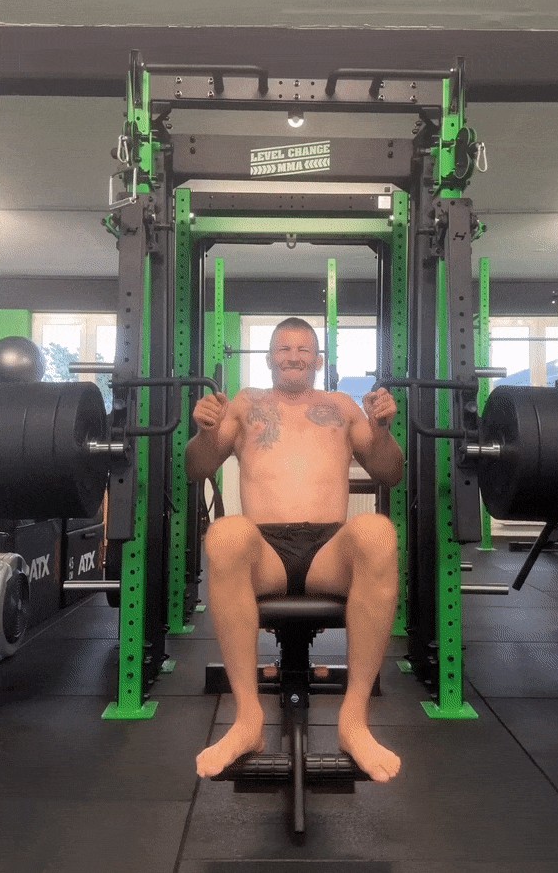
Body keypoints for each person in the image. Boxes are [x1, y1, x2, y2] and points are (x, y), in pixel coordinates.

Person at [185, 317, 404, 783]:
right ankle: (248, 720)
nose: (294, 356)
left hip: (328, 551)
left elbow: (390, 473)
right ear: (269, 357)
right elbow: (197, 468)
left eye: (304, 349)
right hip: (264, 550)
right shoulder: (246, 404)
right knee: (224, 534)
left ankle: (354, 720)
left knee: (378, 531)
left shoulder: (341, 406)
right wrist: (204, 432)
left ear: (318, 359)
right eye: (284, 348)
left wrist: (382, 431)